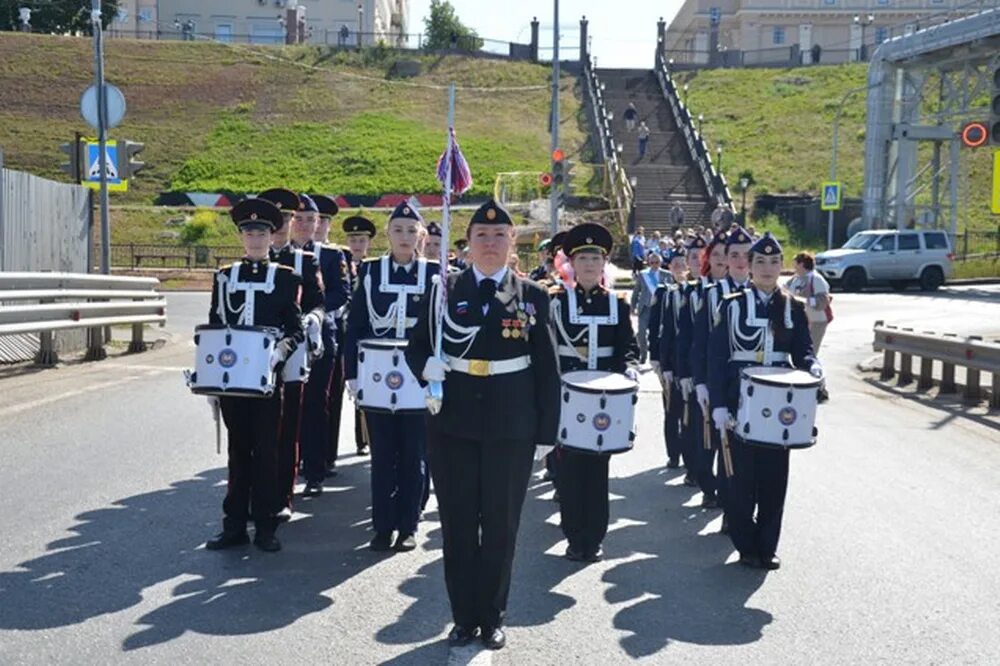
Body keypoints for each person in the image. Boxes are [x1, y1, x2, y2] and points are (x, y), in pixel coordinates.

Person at [405, 199, 560, 651]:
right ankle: (462, 617)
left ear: (513, 244)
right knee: (456, 524)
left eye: (499, 236)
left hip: (511, 427)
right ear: (467, 244)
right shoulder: (444, 290)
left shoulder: (532, 295)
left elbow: (547, 369)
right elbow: (416, 346)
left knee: (500, 525)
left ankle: (492, 616)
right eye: (481, 236)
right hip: (452, 425)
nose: (490, 243)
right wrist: (426, 366)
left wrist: (546, 433)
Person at [708, 233, 823, 570]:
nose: (768, 268)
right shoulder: (730, 305)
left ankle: (767, 546)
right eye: (760, 262)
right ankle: (746, 545)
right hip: (738, 402)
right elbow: (717, 358)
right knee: (740, 481)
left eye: (774, 262)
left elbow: (801, 349)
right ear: (750, 266)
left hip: (779, 404)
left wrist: (813, 365)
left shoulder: (792, 307)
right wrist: (717, 403)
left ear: (781, 266)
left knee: (774, 479)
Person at [204, 198, 303, 553]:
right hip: (232, 383)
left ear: (271, 235)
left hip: (265, 382)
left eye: (262, 232)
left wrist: (280, 352)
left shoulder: (285, 278)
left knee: (266, 454)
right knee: (237, 452)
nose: (256, 238)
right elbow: (215, 327)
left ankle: (265, 526)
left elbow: (296, 329)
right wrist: (210, 378)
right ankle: (233, 525)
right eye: (249, 232)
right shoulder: (225, 277)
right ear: (241, 237)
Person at [345, 201, 435, 553]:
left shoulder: (434, 274)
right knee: (382, 456)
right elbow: (355, 326)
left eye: (411, 231)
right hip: (378, 378)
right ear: (388, 234)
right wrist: (352, 374)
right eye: (398, 229)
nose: (404, 236)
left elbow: (438, 331)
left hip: (416, 378)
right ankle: (382, 527)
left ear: (421, 236)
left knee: (414, 454)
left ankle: (408, 525)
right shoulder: (369, 272)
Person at [550, 223, 639, 562]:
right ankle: (575, 537)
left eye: (595, 258)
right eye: (583, 257)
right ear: (572, 263)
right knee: (571, 469)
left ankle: (595, 537)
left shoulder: (616, 305)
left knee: (599, 470)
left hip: (604, 397)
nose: (589, 264)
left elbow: (627, 347)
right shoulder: (555, 302)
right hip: (568, 396)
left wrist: (629, 366)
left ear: (604, 264)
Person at [259, 188, 326, 521]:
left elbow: (318, 300)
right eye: (279, 218)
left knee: (287, 427)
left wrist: (314, 318)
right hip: (254, 355)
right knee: (254, 430)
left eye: (288, 218)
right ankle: (253, 499)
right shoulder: (252, 257)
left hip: (292, 352)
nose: (284, 225)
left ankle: (283, 497)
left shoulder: (304, 260)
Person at [690, 226, 753, 530]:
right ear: (725, 260)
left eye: (746, 255)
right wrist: (701, 382)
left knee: (749, 455)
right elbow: (700, 343)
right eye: (735, 255)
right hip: (721, 386)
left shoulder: (762, 290)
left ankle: (740, 509)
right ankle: (729, 509)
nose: (741, 261)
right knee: (723, 447)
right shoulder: (712, 293)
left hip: (755, 388)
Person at [293, 195, 350, 498]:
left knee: (316, 404)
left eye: (310, 220)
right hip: (288, 341)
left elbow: (342, 293)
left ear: (318, 224)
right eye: (298, 219)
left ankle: (315, 471)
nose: (304, 225)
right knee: (288, 407)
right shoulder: (281, 254)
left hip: (320, 339)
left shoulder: (331, 256)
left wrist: (316, 314)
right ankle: (290, 467)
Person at [338, 215, 378, 458]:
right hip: (341, 329)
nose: (356, 244)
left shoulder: (372, 267)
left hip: (359, 329)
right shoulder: (341, 264)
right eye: (353, 239)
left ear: (368, 242)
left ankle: (363, 438)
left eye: (361, 239)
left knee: (365, 382)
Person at [652, 247, 692, 470]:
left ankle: (689, 454)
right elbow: (657, 326)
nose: (679, 267)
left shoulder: (694, 291)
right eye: (675, 264)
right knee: (671, 409)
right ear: (670, 267)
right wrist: (657, 358)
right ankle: (673, 454)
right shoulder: (663, 292)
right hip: (670, 357)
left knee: (689, 412)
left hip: (687, 359)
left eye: (682, 263)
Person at [786, 251, 832, 353]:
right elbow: (783, 290)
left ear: (801, 264)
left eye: (795, 263)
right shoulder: (796, 278)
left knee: (810, 351)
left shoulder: (816, 279)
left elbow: (823, 301)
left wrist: (802, 300)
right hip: (802, 320)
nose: (794, 266)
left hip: (816, 321)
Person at [631, 251, 669, 364]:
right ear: (649, 263)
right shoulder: (643, 275)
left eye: (657, 262)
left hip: (659, 309)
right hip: (645, 308)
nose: (654, 264)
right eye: (652, 262)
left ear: (660, 263)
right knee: (641, 333)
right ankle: (643, 354)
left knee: (656, 334)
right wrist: (633, 306)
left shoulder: (667, 275)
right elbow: (636, 291)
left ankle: (656, 355)